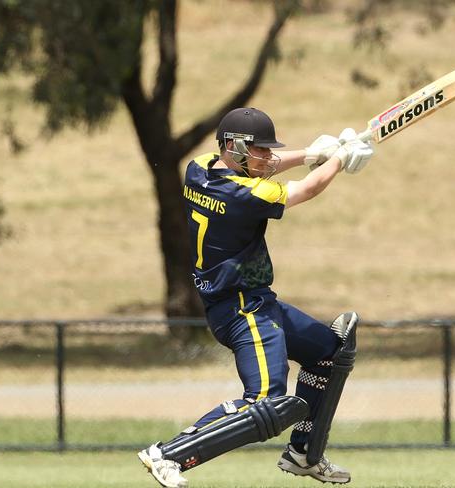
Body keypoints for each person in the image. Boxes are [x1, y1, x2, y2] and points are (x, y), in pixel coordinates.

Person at [138, 107, 373, 488]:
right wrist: (340, 160)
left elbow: (264, 170)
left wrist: (313, 154)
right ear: (234, 146)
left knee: (330, 352)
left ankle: (304, 454)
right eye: (260, 149)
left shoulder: (198, 168)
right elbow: (307, 189)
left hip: (255, 302)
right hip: (243, 309)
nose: (267, 157)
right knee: (265, 400)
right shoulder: (244, 195)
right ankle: (169, 454)